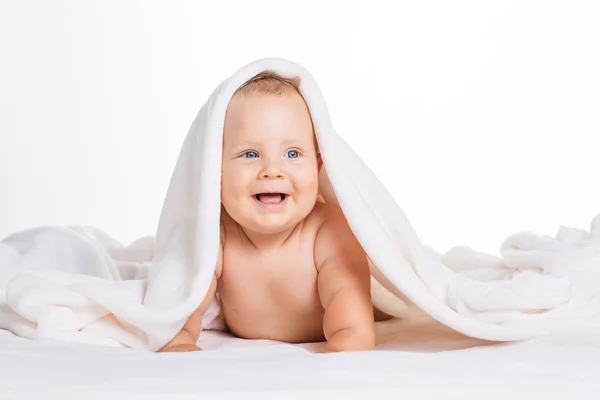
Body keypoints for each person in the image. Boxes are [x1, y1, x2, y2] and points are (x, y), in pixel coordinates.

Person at [160, 71, 390, 353]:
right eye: (250, 154)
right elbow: (187, 299)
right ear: (215, 172)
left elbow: (350, 313)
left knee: (379, 305)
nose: (272, 171)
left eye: (292, 154)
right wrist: (180, 339)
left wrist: (345, 345)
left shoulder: (328, 230)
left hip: (341, 320)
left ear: (317, 168)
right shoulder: (217, 234)